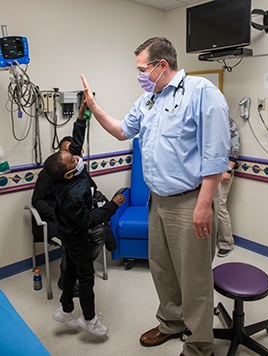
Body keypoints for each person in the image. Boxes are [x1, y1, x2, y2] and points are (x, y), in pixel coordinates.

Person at [80, 37, 230, 355]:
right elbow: (122, 130)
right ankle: (171, 323)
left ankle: (200, 345)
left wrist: (204, 205)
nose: (139, 75)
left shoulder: (202, 94)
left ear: (162, 65)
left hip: (190, 202)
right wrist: (94, 107)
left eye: (141, 68)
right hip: (157, 201)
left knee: (194, 278)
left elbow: (216, 156)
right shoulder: (148, 98)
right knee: (162, 270)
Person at [43, 144, 126, 336]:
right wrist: (113, 205)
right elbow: (89, 220)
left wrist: (80, 120)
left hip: (68, 235)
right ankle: (90, 320)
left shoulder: (63, 177)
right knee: (86, 278)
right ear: (69, 175)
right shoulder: (72, 196)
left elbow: (76, 146)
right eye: (72, 160)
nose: (77, 158)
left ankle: (65, 310)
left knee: (71, 272)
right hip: (77, 238)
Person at [217, 117, 240, 257]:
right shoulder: (204, 121)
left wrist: (228, 170)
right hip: (207, 171)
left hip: (223, 169)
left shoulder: (228, 121)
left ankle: (226, 242)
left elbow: (235, 147)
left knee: (220, 206)